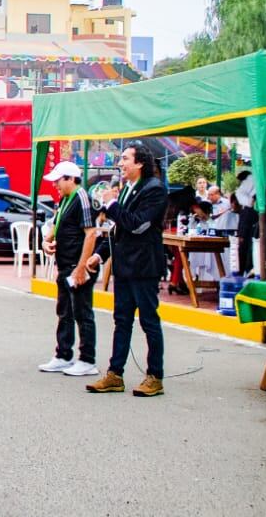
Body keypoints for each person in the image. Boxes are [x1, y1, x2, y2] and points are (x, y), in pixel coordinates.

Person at [85, 144, 168, 397]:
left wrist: (111, 205)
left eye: (125, 159)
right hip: (124, 266)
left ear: (140, 163)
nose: (120, 164)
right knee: (121, 321)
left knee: (148, 321)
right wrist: (100, 254)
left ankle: (155, 376)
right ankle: (115, 374)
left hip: (144, 267)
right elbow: (117, 230)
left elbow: (137, 225)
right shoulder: (126, 190)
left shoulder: (154, 190)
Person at [37, 162, 100, 378]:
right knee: (64, 311)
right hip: (64, 265)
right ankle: (63, 354)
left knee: (83, 313)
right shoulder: (64, 200)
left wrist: (82, 268)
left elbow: (91, 233)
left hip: (76, 266)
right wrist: (47, 241)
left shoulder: (82, 198)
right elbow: (55, 225)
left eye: (59, 180)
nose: (55, 185)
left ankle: (87, 359)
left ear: (71, 179)